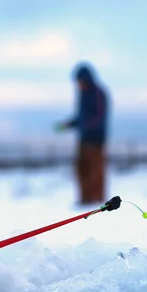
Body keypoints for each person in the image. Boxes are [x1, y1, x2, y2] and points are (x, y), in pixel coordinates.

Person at [56, 62, 110, 206]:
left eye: (79, 81)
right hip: (84, 140)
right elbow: (81, 117)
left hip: (96, 140)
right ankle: (85, 200)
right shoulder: (83, 95)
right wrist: (69, 124)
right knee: (82, 170)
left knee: (95, 171)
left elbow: (98, 117)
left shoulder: (98, 94)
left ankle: (97, 202)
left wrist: (85, 125)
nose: (78, 84)